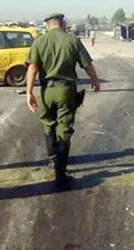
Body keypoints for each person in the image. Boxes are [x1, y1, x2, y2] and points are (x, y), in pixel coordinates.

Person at [26, 13, 100, 186]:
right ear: (63, 23)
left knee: (48, 124)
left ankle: (52, 160)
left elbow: (33, 67)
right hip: (65, 90)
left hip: (46, 91)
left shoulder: (39, 42)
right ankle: (60, 173)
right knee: (64, 129)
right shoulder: (72, 40)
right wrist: (95, 80)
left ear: (47, 25)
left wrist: (29, 92)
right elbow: (87, 64)